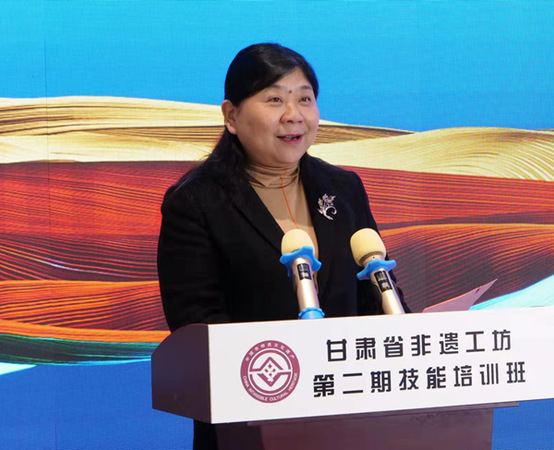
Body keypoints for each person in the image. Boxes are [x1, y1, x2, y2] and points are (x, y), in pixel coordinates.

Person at [157, 43, 407, 449]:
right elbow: (196, 328)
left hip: (353, 421)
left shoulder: (343, 188)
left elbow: (376, 296)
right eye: (274, 99)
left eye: (304, 99)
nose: (294, 115)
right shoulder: (196, 202)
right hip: (250, 426)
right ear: (231, 116)